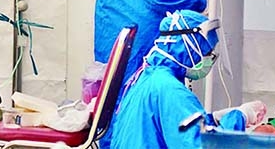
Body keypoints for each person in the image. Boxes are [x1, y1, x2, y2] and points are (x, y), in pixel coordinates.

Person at [111, 10, 266, 149]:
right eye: (206, 51)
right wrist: (241, 116)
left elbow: (175, 127)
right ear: (188, 47)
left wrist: (215, 119)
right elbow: (202, 145)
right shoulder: (169, 89)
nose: (209, 58)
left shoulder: (146, 77)